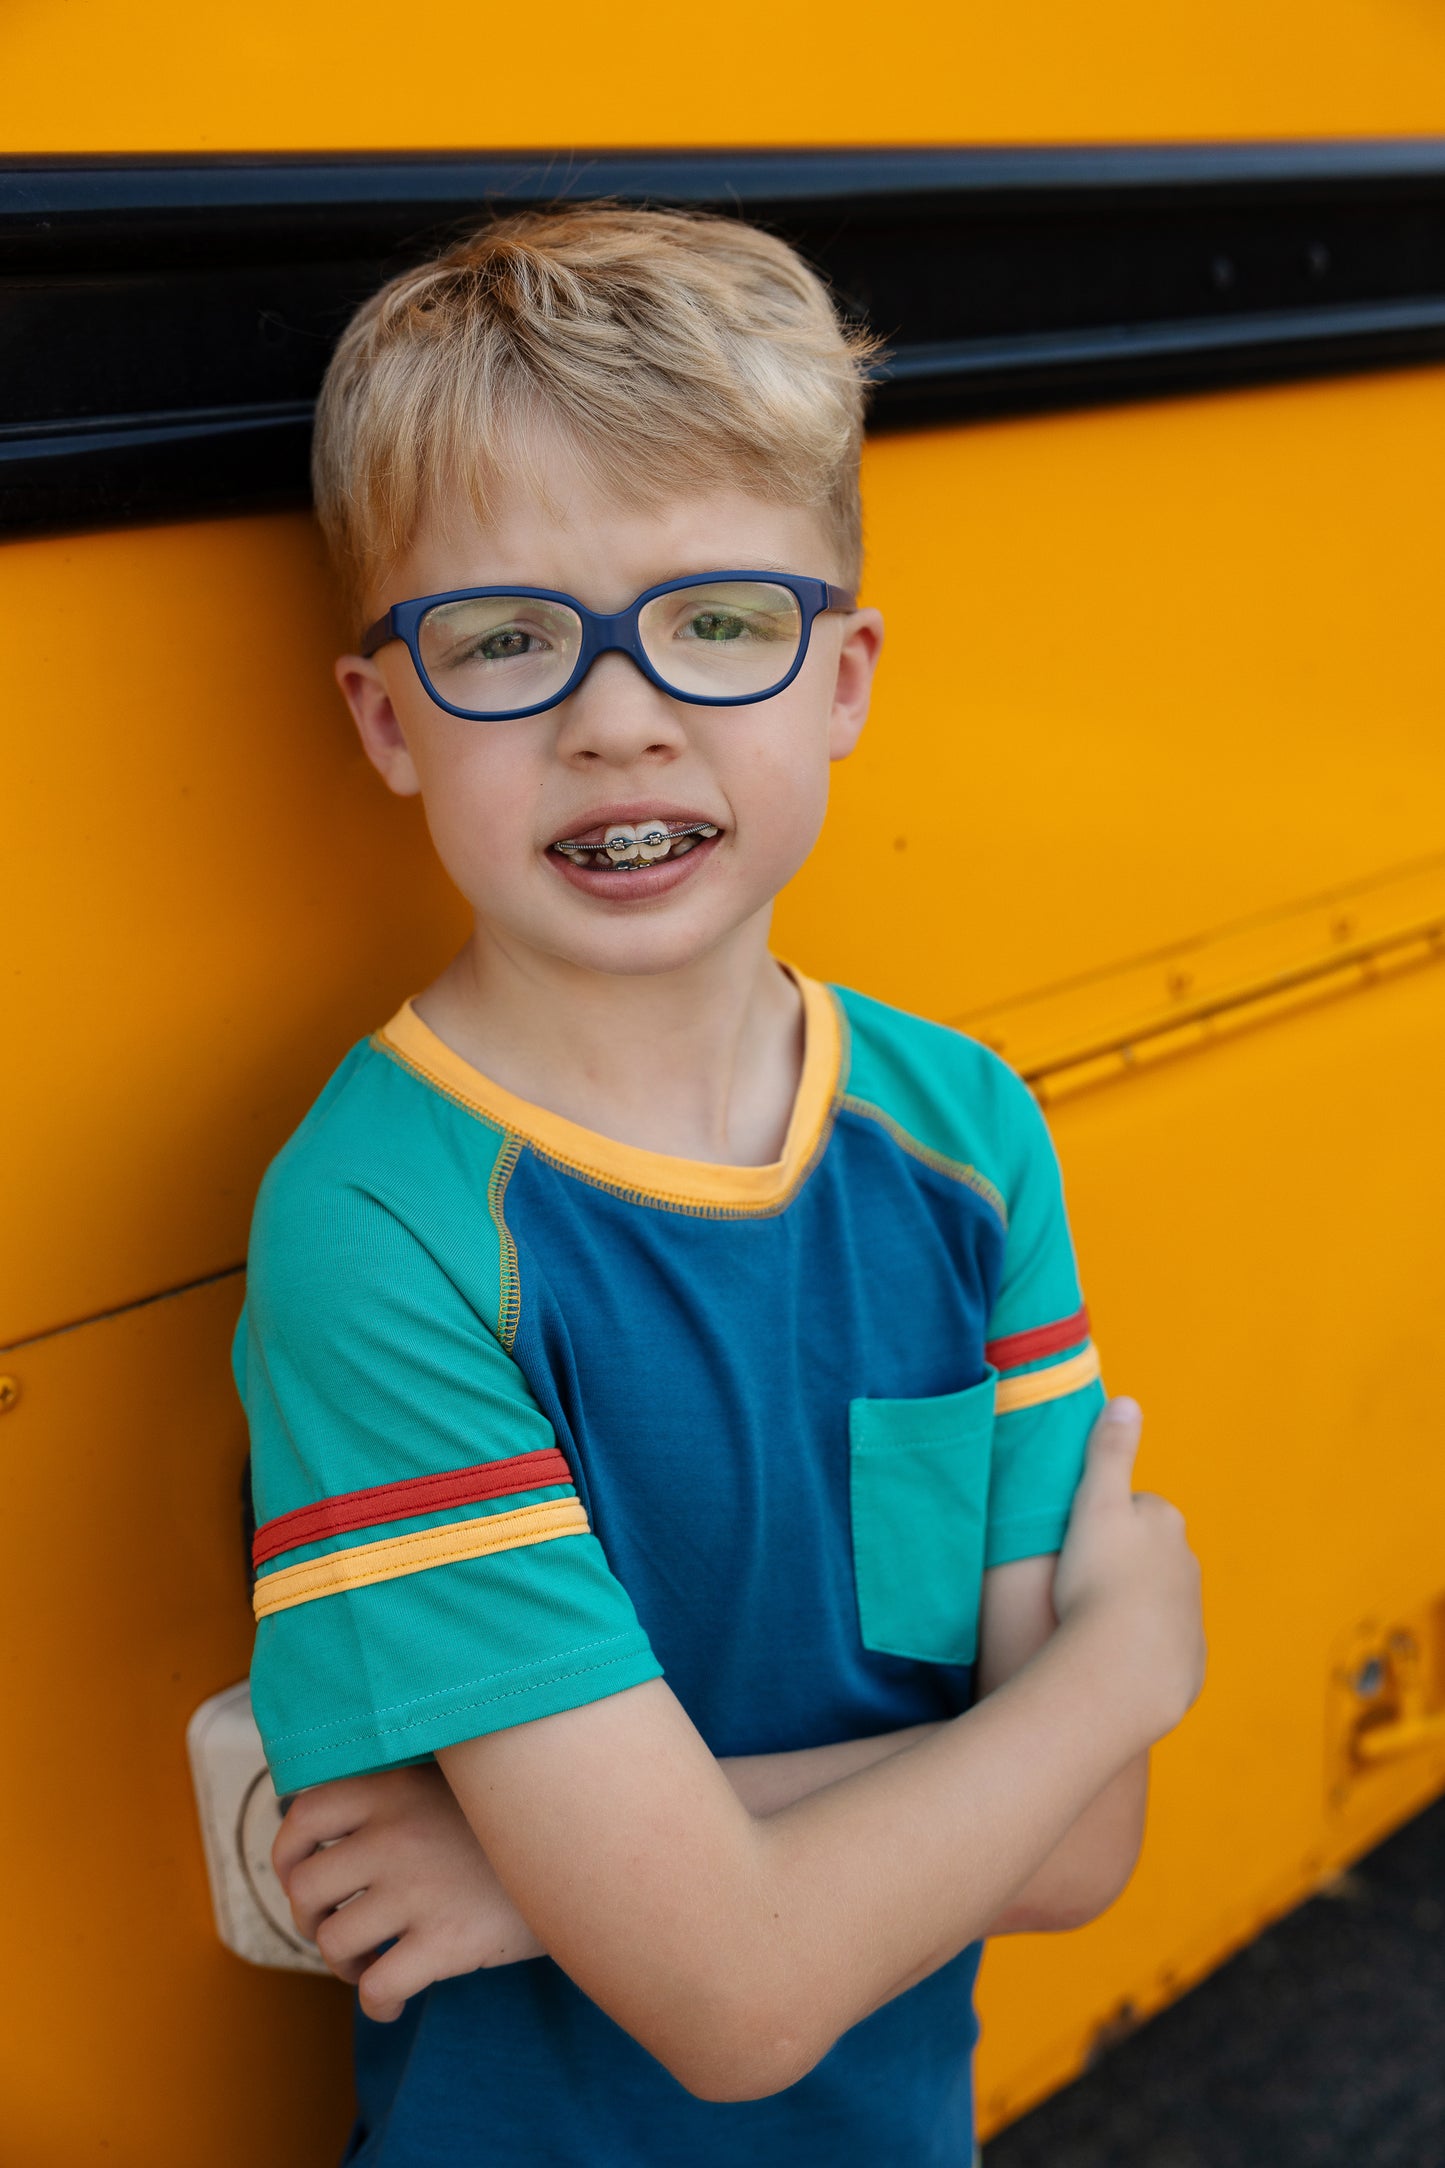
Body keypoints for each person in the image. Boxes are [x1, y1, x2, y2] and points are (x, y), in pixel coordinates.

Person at [237, 204, 1205, 2167]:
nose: (617, 715)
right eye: (504, 639)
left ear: (843, 677)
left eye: (719, 620)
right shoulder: (383, 1228)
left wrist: (550, 1883)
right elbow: (734, 2001)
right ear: (387, 721)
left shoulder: (963, 1138)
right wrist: (1122, 1668)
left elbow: (1080, 1849)